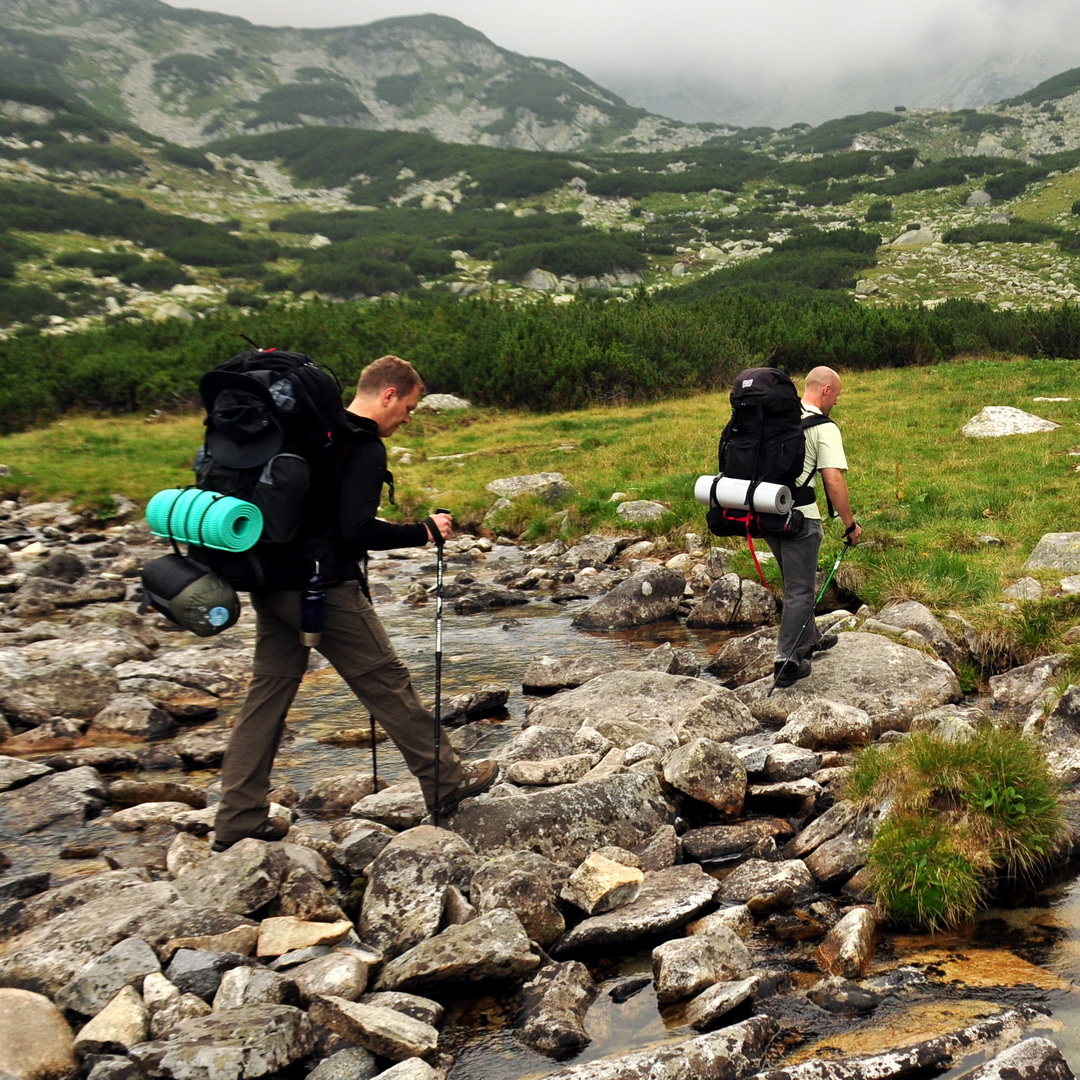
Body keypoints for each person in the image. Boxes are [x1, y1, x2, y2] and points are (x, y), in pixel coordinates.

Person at [211, 355, 497, 851]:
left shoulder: (309, 434)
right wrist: (423, 532)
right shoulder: (361, 448)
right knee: (389, 685)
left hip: (271, 585)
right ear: (388, 395)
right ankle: (447, 784)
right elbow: (356, 531)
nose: (407, 418)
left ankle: (237, 820)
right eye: (407, 407)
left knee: (265, 700)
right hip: (325, 593)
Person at [768, 365, 862, 688]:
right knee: (800, 589)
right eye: (836, 395)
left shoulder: (777, 416)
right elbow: (833, 479)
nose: (836, 402)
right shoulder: (823, 427)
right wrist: (850, 524)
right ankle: (787, 662)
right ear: (825, 391)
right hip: (801, 520)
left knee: (793, 580)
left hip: (767, 512)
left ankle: (811, 637)